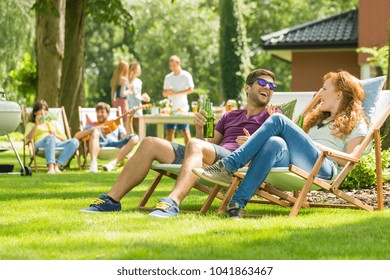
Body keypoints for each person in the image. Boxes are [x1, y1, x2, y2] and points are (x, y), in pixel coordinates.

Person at [80, 69, 281, 215]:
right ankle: (111, 200)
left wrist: (254, 143)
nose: (268, 88)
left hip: (237, 163)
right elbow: (206, 144)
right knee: (150, 142)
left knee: (194, 144)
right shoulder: (230, 116)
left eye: (272, 86)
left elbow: (278, 149)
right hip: (213, 158)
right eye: (263, 83)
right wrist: (200, 128)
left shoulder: (273, 116)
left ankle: (172, 202)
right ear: (247, 88)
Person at [193, 70, 369, 219]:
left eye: (324, 89)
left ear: (339, 93)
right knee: (274, 142)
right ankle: (237, 204)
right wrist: (258, 141)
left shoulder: (356, 123)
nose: (319, 94)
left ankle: (228, 166)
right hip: (298, 162)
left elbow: (349, 159)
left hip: (324, 167)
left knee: (278, 119)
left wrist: (317, 148)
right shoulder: (317, 119)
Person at [74, 102, 139, 173]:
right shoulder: (92, 126)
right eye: (97, 112)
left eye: (102, 112)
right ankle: (93, 164)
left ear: (108, 114)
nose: (99, 114)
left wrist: (130, 118)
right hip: (100, 144)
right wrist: (93, 129)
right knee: (95, 132)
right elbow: (77, 136)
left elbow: (127, 137)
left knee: (135, 137)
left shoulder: (116, 126)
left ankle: (112, 164)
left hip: (115, 144)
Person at [25, 100, 79, 174]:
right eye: (40, 109)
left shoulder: (52, 124)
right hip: (40, 145)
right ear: (35, 112)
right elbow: (27, 139)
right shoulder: (31, 124)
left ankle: (57, 166)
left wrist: (55, 135)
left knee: (75, 142)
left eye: (45, 109)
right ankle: (51, 168)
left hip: (55, 144)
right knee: (50, 137)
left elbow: (65, 139)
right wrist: (36, 125)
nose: (43, 112)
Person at [162, 55, 194, 145]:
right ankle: (169, 154)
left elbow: (191, 89)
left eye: (174, 65)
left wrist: (176, 93)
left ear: (178, 64)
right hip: (170, 109)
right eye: (170, 66)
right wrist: (168, 91)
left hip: (183, 108)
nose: (172, 67)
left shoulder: (186, 75)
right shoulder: (168, 77)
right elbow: (164, 93)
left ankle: (189, 151)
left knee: (185, 131)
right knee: (169, 131)